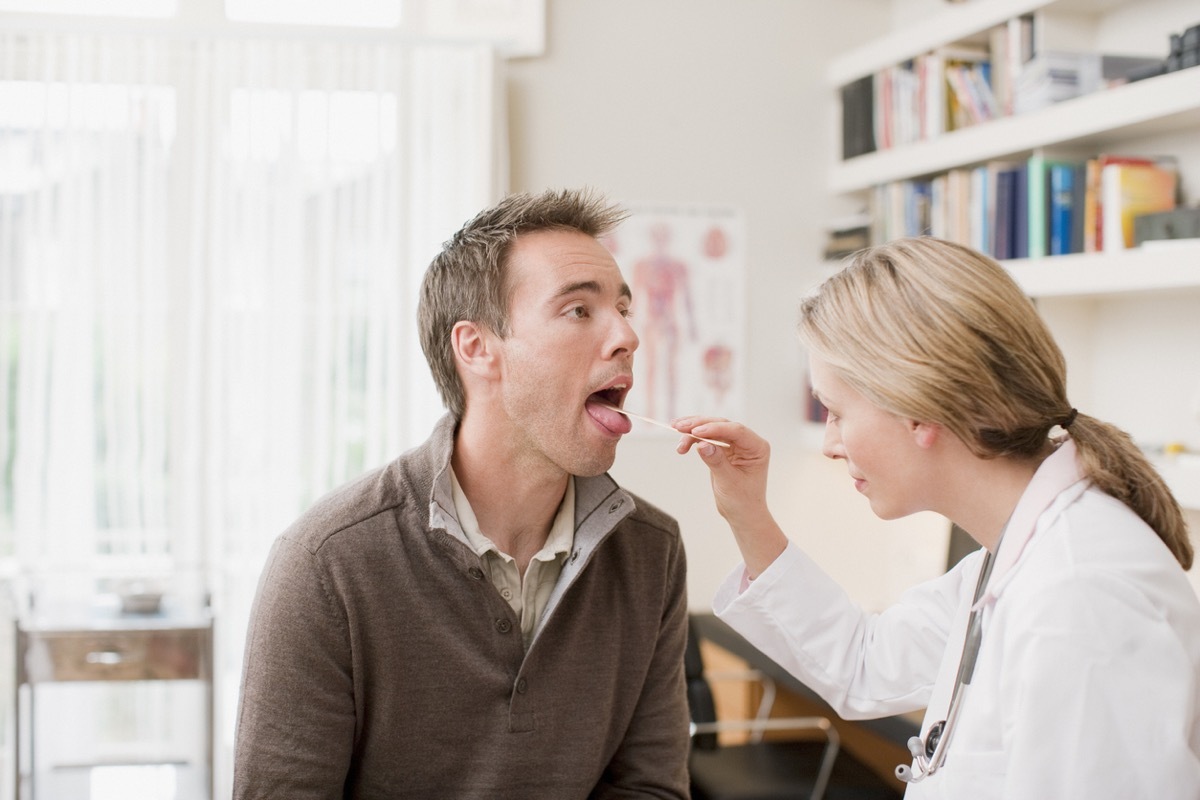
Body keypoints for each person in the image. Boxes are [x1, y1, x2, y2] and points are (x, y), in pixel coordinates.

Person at [673, 236, 1200, 798]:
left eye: (836, 411)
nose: (830, 443)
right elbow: (864, 664)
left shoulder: (1079, 598)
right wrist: (747, 512)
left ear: (918, 410)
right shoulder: (1011, 560)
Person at [233, 188, 691, 799]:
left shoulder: (651, 552)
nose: (627, 336)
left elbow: (651, 789)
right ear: (477, 348)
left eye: (624, 310)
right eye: (580, 311)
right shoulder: (326, 564)